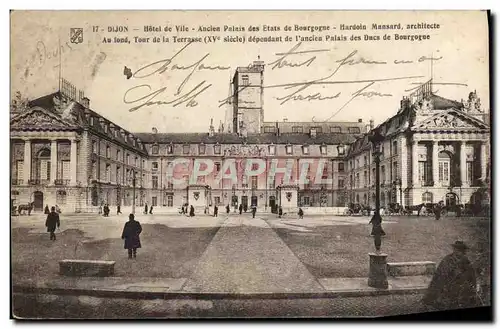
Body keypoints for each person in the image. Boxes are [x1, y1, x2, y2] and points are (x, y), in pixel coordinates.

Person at [422, 241, 478, 310]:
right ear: (454, 250)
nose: (459, 252)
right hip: (448, 287)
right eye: (457, 250)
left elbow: (471, 275)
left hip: (461, 288)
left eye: (461, 250)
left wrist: (465, 279)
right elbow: (441, 276)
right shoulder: (447, 260)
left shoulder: (465, 260)